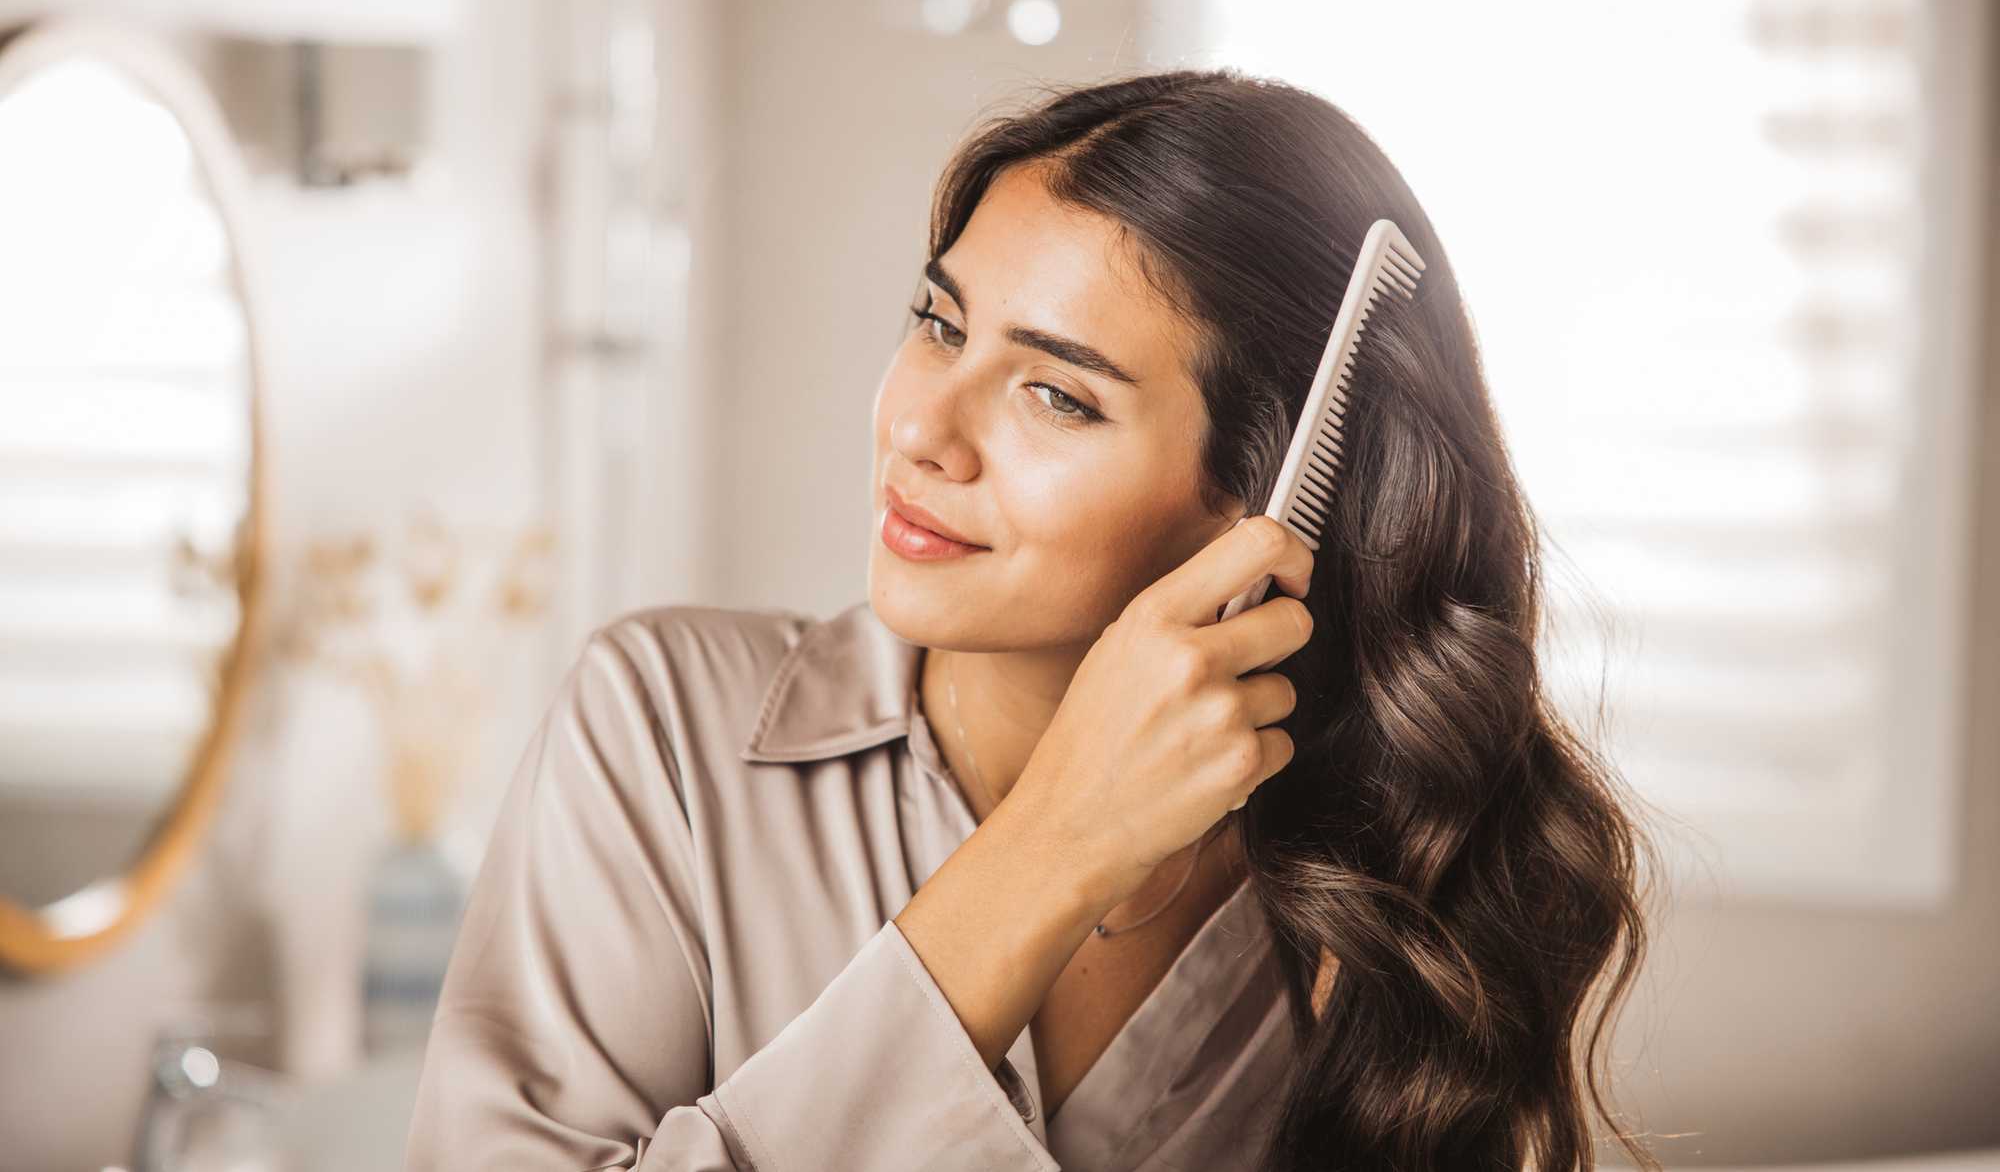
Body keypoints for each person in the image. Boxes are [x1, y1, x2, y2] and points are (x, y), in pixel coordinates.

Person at [403, 68, 1665, 1171]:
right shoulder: (662, 728)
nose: (920, 428)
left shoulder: (1378, 881)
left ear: (1276, 491)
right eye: (938, 323)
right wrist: (1056, 846)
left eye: (1055, 396)